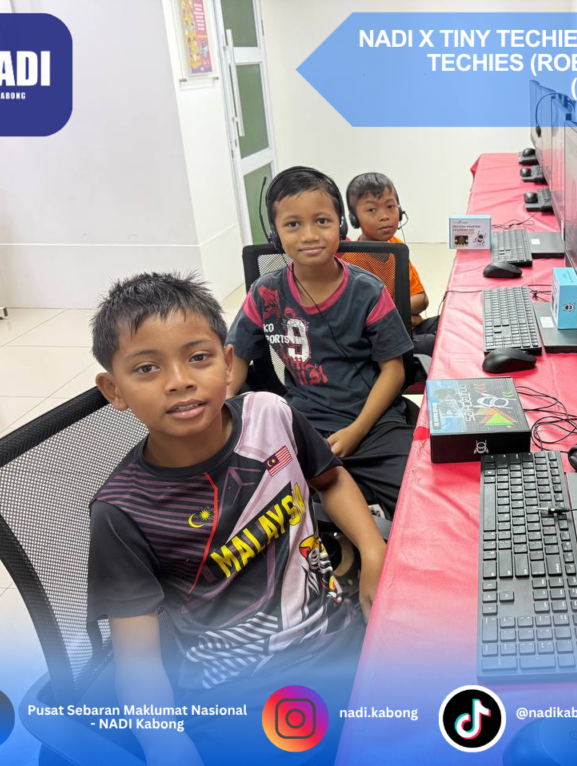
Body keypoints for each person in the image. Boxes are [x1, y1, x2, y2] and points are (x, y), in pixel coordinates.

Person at [88, 272, 386, 766]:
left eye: (198, 357)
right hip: (239, 694)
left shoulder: (271, 415)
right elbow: (137, 660)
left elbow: (330, 481)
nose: (179, 380)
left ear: (228, 365)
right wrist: (165, 743)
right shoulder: (122, 511)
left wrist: (373, 550)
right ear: (113, 390)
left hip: (343, 640)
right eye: (147, 368)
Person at [227, 166, 414, 517]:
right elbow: (234, 364)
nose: (309, 235)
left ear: (340, 226)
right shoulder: (264, 293)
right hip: (300, 423)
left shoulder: (368, 291)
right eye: (293, 224)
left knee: (416, 500)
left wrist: (357, 430)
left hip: (372, 421)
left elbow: (394, 371)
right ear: (275, 233)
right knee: (256, 506)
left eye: (322, 221)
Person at [346, 171, 438, 357]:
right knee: (440, 344)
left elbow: (422, 300)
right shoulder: (351, 261)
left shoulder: (397, 247)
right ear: (354, 218)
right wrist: (404, 313)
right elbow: (364, 322)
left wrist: (395, 313)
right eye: (372, 210)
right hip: (382, 345)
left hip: (408, 328)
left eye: (390, 206)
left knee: (454, 323)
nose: (384, 216)